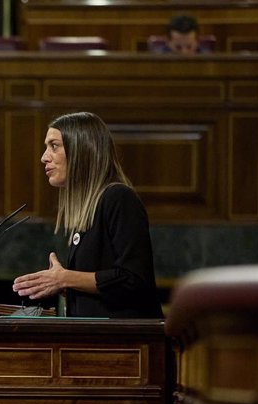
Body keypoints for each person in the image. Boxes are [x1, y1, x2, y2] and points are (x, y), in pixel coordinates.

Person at [12, 112, 163, 319]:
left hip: (127, 344)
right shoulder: (89, 209)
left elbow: (133, 279)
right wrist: (68, 285)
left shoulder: (119, 198)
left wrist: (65, 278)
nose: (44, 157)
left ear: (81, 151)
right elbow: (106, 286)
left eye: (54, 146)